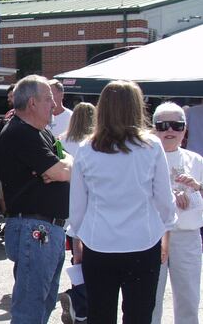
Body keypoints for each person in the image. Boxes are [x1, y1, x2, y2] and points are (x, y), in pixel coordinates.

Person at [69, 80, 176, 324]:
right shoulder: (151, 147)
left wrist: (78, 239)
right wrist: (167, 228)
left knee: (100, 314)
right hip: (142, 241)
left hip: (99, 243)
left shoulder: (86, 149)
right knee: (139, 315)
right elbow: (163, 199)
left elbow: (77, 207)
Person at [0, 75, 73, 324]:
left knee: (44, 301)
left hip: (47, 228)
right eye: (49, 99)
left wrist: (60, 169)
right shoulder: (21, 132)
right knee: (30, 307)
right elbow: (61, 170)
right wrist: (58, 170)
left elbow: (68, 164)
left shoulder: (43, 134)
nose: (54, 105)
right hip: (35, 228)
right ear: (32, 103)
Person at [150, 102, 203, 324]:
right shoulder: (145, 158)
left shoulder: (196, 160)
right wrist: (168, 196)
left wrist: (198, 186)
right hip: (153, 236)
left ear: (185, 129)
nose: (169, 131)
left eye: (176, 125)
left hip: (188, 235)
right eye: (163, 126)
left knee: (189, 300)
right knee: (150, 301)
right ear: (154, 129)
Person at [57, 102, 96, 324]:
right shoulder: (94, 144)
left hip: (68, 204)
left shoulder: (61, 140)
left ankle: (78, 297)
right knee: (92, 257)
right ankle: (80, 302)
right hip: (91, 206)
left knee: (77, 256)